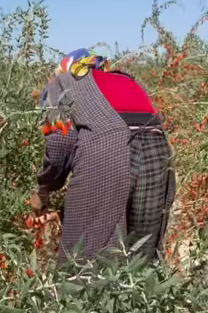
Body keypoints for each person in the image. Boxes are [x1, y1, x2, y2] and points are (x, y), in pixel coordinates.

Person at [30, 49, 175, 264]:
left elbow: (60, 142)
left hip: (108, 153)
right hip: (158, 154)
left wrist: (44, 188)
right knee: (141, 258)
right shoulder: (127, 81)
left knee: (87, 263)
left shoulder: (60, 84)